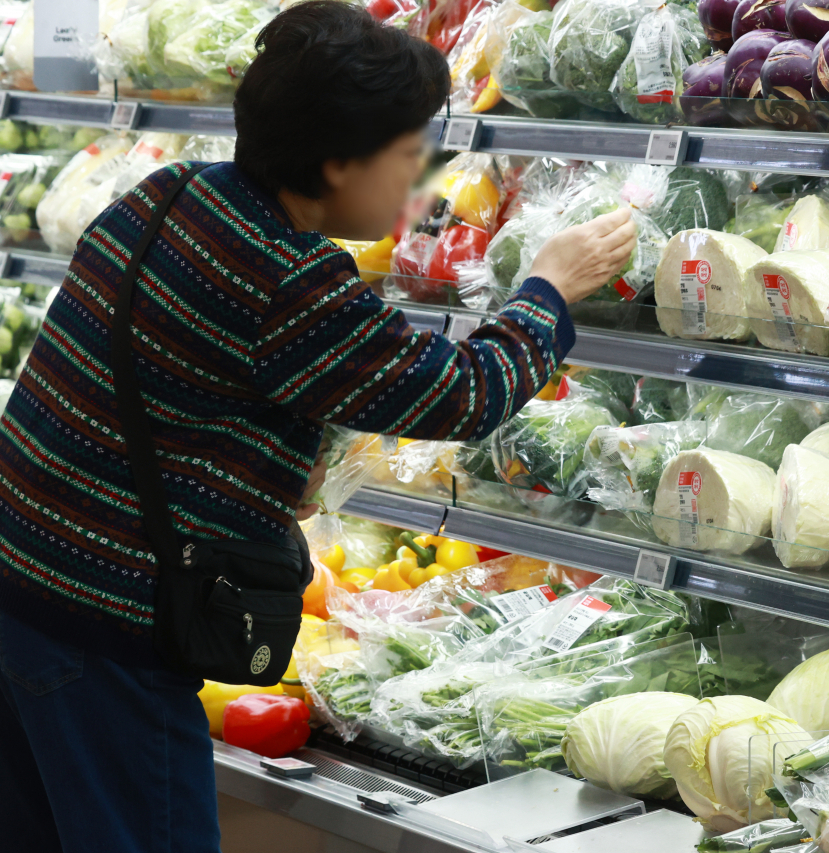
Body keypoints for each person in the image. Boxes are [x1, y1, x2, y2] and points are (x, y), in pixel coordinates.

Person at [0, 3, 636, 851]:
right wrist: (549, 289)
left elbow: (169, 391)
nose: (416, 183)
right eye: (408, 156)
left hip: (25, 582)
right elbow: (464, 394)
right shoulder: (287, 278)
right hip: (105, 634)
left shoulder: (172, 194)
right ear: (337, 162)